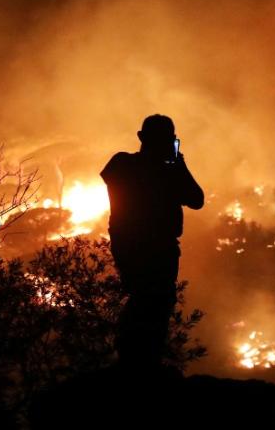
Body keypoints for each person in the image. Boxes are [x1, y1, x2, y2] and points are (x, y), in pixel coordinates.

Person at [100, 114, 204, 371]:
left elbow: (196, 199)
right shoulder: (144, 168)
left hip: (134, 245)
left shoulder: (123, 165)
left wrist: (173, 164)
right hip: (150, 247)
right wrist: (177, 162)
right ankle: (140, 364)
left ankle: (138, 361)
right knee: (152, 302)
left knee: (149, 302)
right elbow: (196, 198)